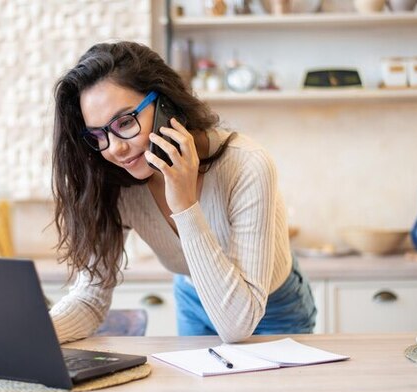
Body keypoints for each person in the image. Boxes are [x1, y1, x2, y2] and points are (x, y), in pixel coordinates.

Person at [49, 41, 316, 344]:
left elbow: (236, 325)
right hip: (193, 299)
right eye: (98, 135)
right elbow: (89, 298)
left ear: (166, 105)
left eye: (125, 122)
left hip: (274, 307)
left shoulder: (247, 165)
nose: (116, 148)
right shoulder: (114, 180)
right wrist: (31, 334)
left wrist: (185, 204)